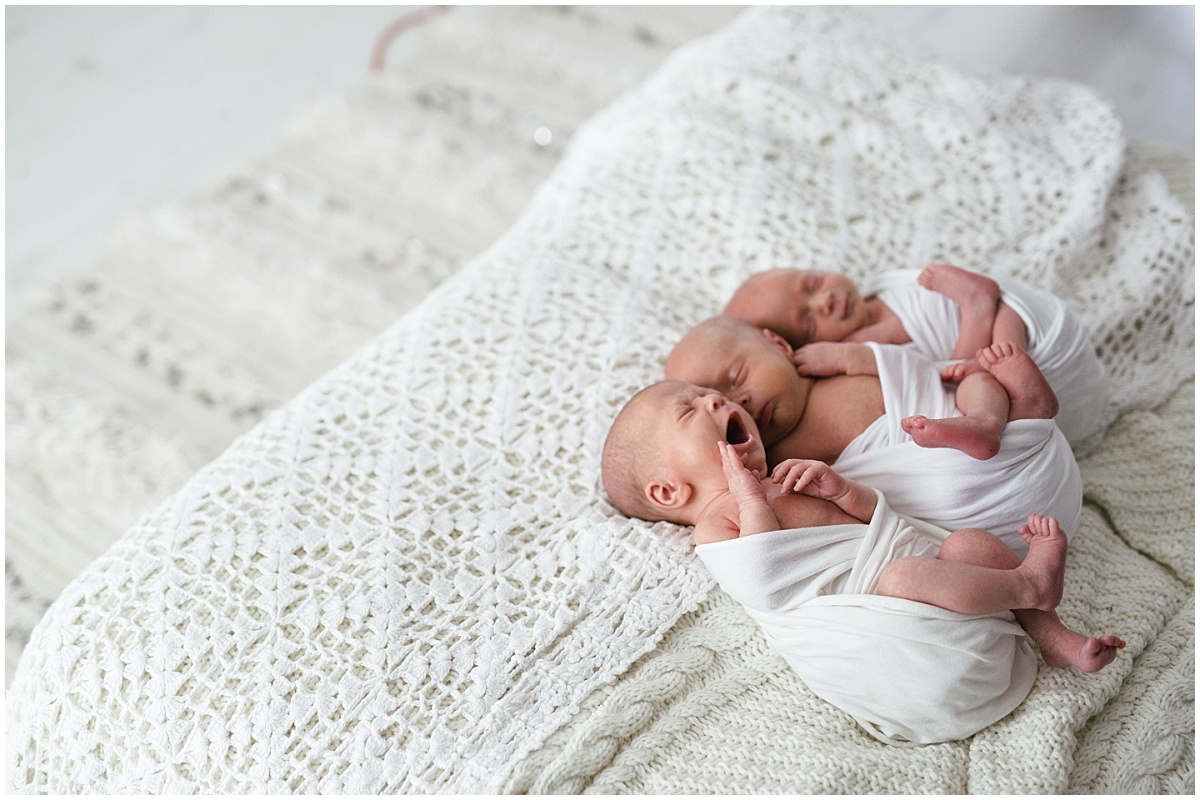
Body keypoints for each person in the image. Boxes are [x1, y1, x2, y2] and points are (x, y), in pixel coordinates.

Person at [599, 379, 1124, 672]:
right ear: (669, 492)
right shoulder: (716, 527)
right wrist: (747, 495)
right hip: (893, 623)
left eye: (709, 392)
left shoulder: (783, 475)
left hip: (919, 573)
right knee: (903, 578)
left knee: (971, 545)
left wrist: (843, 490)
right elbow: (764, 576)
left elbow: (879, 521)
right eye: (690, 411)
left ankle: (1053, 637)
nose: (716, 400)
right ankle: (1029, 584)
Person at [663, 314, 1081, 553]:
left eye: (736, 377)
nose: (741, 402)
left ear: (778, 344)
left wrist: (851, 355)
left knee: (975, 380)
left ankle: (1015, 414)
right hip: (967, 504)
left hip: (996, 444)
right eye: (721, 399)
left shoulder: (833, 359)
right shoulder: (771, 457)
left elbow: (911, 366)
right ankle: (1012, 417)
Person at [722, 264, 1109, 453]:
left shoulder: (879, 288)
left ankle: (978, 308)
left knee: (978, 365)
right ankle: (980, 310)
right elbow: (910, 369)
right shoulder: (863, 336)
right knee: (973, 374)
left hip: (1029, 322)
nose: (823, 301)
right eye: (807, 322)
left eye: (811, 284)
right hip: (1042, 360)